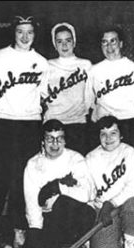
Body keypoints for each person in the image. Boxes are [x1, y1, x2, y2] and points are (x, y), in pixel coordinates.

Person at [0, 16, 49, 248]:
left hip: (30, 125)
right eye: (20, 32)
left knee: (23, 180)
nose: (25, 37)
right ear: (14, 33)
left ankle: (20, 229)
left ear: (35, 34)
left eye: (29, 32)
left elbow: (44, 97)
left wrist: (42, 124)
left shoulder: (41, 62)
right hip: (2, 123)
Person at [23, 119, 96, 248]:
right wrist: (35, 229)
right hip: (51, 220)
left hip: (80, 215)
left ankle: (74, 246)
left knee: (63, 203)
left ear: (65, 140)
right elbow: (31, 201)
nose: (55, 144)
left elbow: (86, 194)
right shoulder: (33, 164)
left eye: (59, 138)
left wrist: (59, 187)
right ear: (43, 141)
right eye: (50, 139)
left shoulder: (76, 159)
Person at [85, 116, 134, 248]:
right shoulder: (90, 157)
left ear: (121, 134)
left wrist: (111, 203)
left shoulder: (129, 152)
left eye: (113, 133)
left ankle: (130, 241)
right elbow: (88, 191)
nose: (108, 138)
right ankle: (108, 241)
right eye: (103, 134)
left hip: (124, 205)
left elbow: (133, 187)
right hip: (104, 211)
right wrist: (97, 209)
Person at [85, 26, 134, 151]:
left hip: (129, 123)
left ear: (120, 44)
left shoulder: (133, 68)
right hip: (104, 124)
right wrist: (94, 120)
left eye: (113, 41)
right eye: (105, 42)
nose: (109, 47)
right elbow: (88, 100)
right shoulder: (94, 70)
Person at [42, 22, 92, 155]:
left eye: (68, 40)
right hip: (53, 124)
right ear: (54, 44)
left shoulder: (85, 65)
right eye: (59, 41)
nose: (64, 45)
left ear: (74, 42)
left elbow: (89, 96)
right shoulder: (46, 65)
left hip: (78, 124)